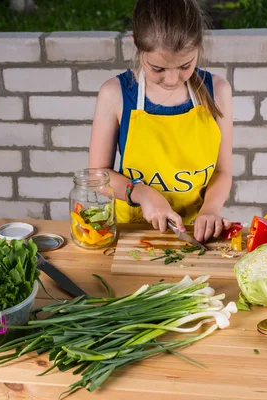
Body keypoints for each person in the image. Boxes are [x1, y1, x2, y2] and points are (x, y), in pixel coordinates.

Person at [88, 0, 234, 243]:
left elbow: (223, 171)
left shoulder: (218, 91)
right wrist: (142, 193)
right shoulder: (115, 94)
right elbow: (97, 176)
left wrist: (210, 211)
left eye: (185, 65)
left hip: (193, 232)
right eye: (158, 68)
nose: (171, 79)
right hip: (132, 233)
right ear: (136, 44)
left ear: (199, 47)